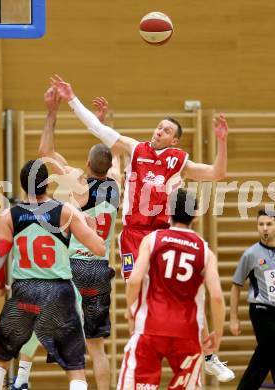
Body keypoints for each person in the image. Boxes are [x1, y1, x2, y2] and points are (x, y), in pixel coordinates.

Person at [50, 75, 234, 382]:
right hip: (134, 237)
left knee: (187, 293)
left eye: (165, 131)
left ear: (175, 140)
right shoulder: (135, 149)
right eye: (159, 127)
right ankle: (139, 347)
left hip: (164, 237)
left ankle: (209, 354)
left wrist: (222, 141)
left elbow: (217, 173)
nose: (158, 131)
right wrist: (72, 99)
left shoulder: (178, 161)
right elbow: (98, 130)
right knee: (136, 293)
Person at [11, 88, 120, 390]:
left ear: (87, 163)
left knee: (39, 321)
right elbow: (108, 155)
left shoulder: (78, 182)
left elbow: (45, 152)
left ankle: (21, 379)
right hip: (99, 268)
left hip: (73, 267)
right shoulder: (118, 185)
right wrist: (102, 125)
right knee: (97, 348)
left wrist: (52, 113)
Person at [0, 159, 105, 390]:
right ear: (48, 183)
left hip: (25, 290)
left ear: (22, 186)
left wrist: (0, 285)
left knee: (0, 360)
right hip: (59, 292)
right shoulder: (65, 212)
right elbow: (98, 248)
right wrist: (92, 229)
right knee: (75, 369)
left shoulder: (10, 216)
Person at [117, 188, 226, 389]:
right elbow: (217, 297)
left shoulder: (152, 240)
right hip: (188, 333)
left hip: (150, 329)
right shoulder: (205, 250)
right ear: (195, 214)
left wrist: (130, 310)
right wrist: (217, 334)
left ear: (168, 210)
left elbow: (133, 281)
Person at [230, 209, 275, 390]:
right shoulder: (251, 254)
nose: (265, 228)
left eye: (269, 224)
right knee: (271, 347)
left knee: (265, 355)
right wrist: (233, 318)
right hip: (261, 311)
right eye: (261, 224)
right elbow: (236, 285)